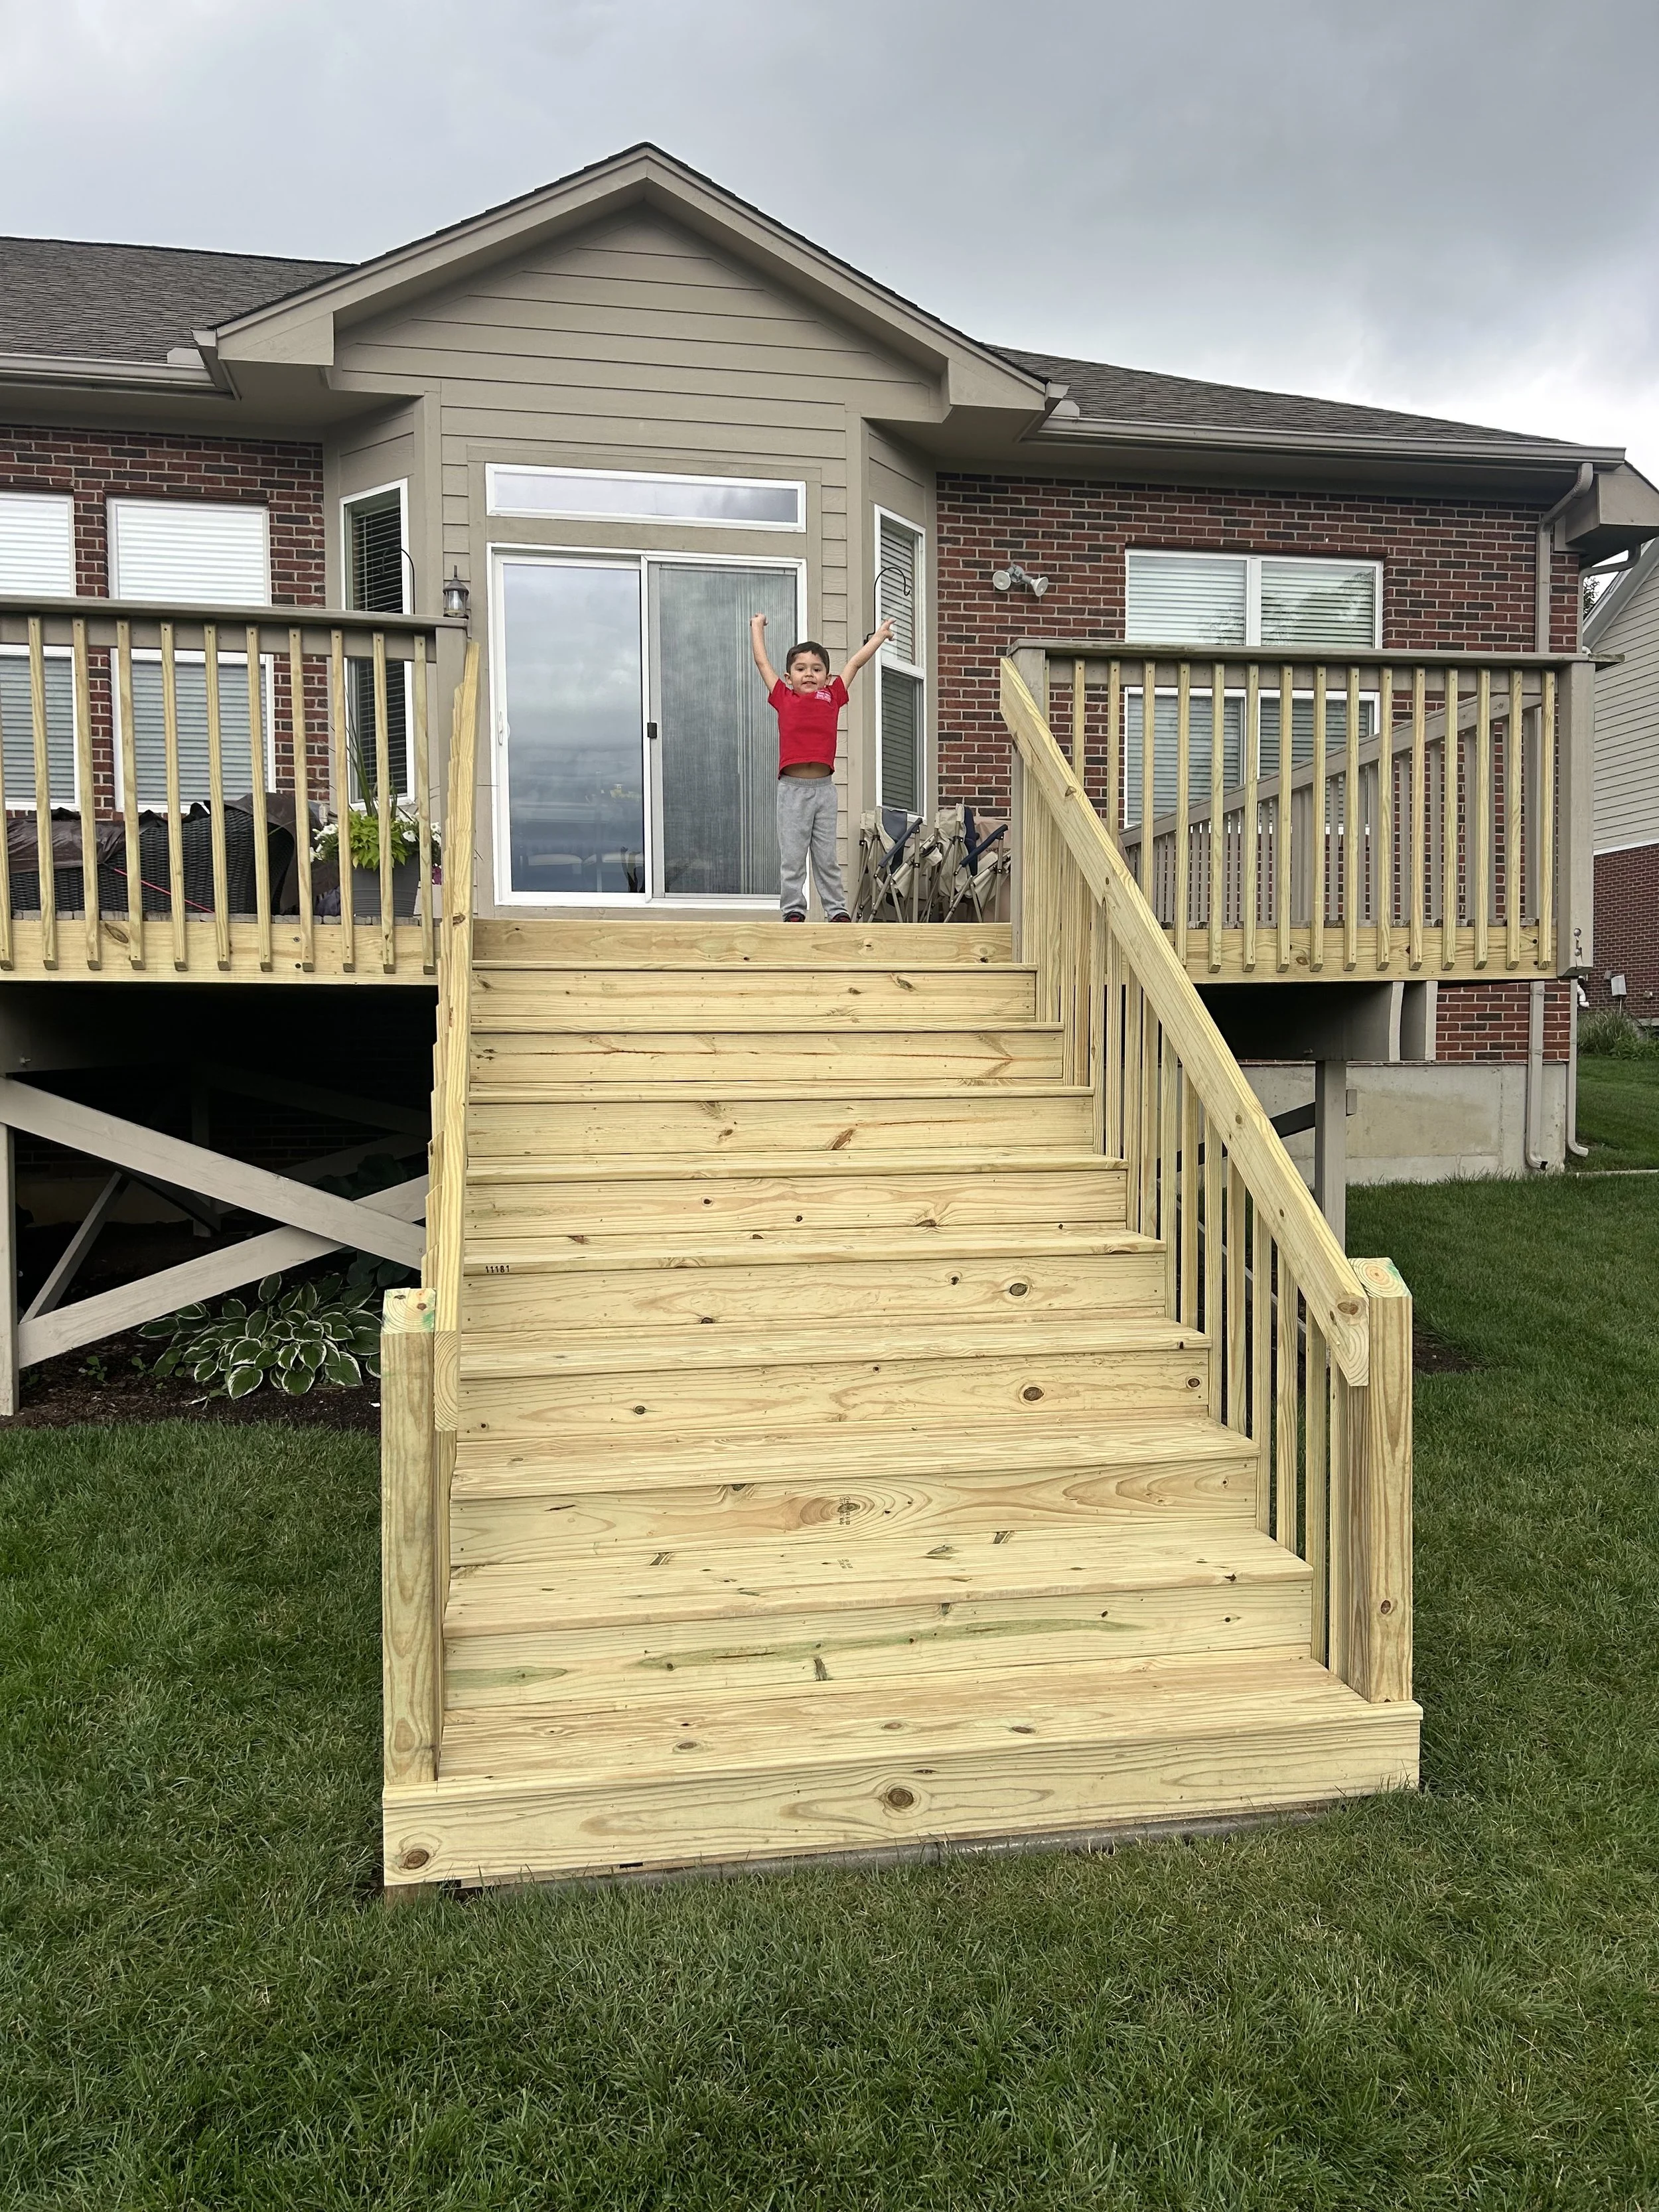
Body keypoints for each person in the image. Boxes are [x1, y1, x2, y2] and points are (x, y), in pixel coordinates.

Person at [750, 613, 893, 921]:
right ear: (789, 677)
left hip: (824, 792)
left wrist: (877, 639)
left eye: (817, 669)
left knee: (826, 858)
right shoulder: (783, 698)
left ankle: (836, 911)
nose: (809, 674)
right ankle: (793, 911)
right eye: (800, 669)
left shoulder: (832, 696)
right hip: (792, 791)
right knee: (793, 857)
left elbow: (854, 664)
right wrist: (756, 628)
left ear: (827, 677)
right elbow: (763, 664)